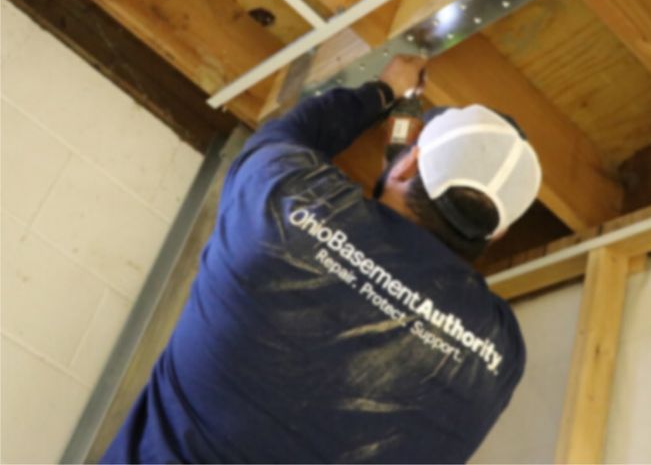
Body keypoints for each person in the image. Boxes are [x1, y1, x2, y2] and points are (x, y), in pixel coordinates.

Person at [101, 55, 542, 464]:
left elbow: (290, 133)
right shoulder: (501, 356)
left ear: (408, 167)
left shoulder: (282, 201)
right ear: (496, 232)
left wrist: (382, 91)